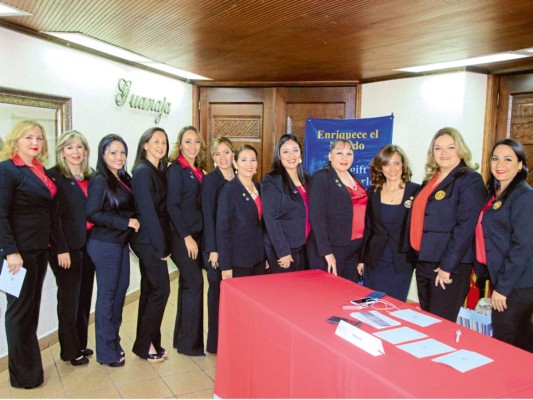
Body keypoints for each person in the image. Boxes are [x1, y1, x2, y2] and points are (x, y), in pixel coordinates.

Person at [0, 120, 56, 389]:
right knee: (19, 312)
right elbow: (0, 214)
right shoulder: (8, 170)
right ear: (16, 140)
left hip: (38, 250)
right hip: (17, 254)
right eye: (28, 137)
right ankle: (22, 376)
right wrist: (10, 251)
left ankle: (31, 371)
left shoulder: (38, 170)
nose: (35, 142)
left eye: (39, 137)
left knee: (30, 310)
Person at [410, 127, 486, 322]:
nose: (443, 153)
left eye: (450, 147)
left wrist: (447, 266)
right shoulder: (431, 180)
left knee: (440, 323)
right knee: (427, 319)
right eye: (438, 148)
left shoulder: (470, 180)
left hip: (448, 266)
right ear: (432, 153)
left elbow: (465, 227)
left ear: (460, 150)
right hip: (425, 260)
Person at [86, 134, 139, 367]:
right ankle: (106, 352)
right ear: (103, 155)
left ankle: (113, 342)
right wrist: (125, 223)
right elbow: (92, 213)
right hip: (104, 244)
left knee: (119, 294)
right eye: (113, 152)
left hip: (120, 244)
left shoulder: (124, 178)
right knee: (108, 297)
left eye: (122, 152)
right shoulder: (100, 180)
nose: (119, 157)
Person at [476, 138, 533, 352]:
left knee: (506, 340)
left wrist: (502, 288)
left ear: (520, 165)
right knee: (522, 338)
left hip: (518, 284)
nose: (500, 165)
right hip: (505, 279)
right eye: (496, 159)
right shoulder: (498, 193)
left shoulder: (525, 196)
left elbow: (523, 246)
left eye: (508, 159)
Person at [48, 130, 95, 366]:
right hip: (65, 248)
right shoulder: (53, 177)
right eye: (69, 147)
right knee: (69, 299)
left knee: (84, 296)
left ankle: (80, 343)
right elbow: (52, 218)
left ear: (86, 150)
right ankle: (69, 350)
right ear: (61, 151)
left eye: (79, 147)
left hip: (88, 244)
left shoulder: (91, 176)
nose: (75, 152)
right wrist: (61, 249)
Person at [357, 145, 420, 301]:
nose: (392, 168)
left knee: (395, 306)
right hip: (375, 261)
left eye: (396, 163)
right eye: (386, 163)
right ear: (380, 167)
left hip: (401, 262)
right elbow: (368, 228)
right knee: (371, 305)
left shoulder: (416, 192)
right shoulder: (372, 192)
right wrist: (361, 259)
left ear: (403, 165)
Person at [130, 127, 171, 362]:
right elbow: (148, 213)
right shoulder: (143, 171)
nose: (160, 146)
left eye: (164, 142)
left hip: (152, 239)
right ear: (145, 144)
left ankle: (149, 342)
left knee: (149, 291)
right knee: (161, 290)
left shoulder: (156, 170)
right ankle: (145, 345)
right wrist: (161, 247)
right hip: (148, 240)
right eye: (155, 141)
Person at [167, 126, 205, 356]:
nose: (192, 146)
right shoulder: (176, 170)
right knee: (195, 284)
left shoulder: (197, 170)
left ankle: (182, 339)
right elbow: (173, 205)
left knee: (186, 285)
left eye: (196, 142)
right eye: (187, 141)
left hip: (195, 235)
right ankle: (190, 344)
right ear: (179, 145)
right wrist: (187, 237)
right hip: (183, 237)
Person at [308, 139, 367, 282]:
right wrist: (327, 252)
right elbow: (317, 217)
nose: (344, 158)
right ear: (330, 156)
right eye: (339, 153)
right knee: (328, 294)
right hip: (331, 249)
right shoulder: (322, 177)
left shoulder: (354, 178)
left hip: (354, 249)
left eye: (349, 153)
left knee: (347, 294)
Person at [201, 136, 235, 354]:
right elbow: (208, 216)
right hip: (216, 248)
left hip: (236, 248)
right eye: (217, 154)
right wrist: (214, 250)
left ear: (233, 153)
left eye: (226, 152)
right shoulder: (210, 181)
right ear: (213, 158)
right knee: (216, 292)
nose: (223, 158)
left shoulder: (243, 176)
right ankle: (215, 343)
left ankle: (232, 339)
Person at [262, 134, 310, 273]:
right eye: (285, 151)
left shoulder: (307, 178)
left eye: (295, 150)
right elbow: (271, 218)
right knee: (285, 292)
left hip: (305, 247)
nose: (291, 155)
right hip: (284, 250)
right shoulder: (272, 180)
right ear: (279, 155)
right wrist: (283, 251)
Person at [217, 144, 265, 279]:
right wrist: (225, 265)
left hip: (259, 258)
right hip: (238, 260)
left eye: (253, 159)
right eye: (243, 160)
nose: (249, 164)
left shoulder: (259, 187)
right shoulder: (229, 190)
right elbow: (222, 230)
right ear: (235, 163)